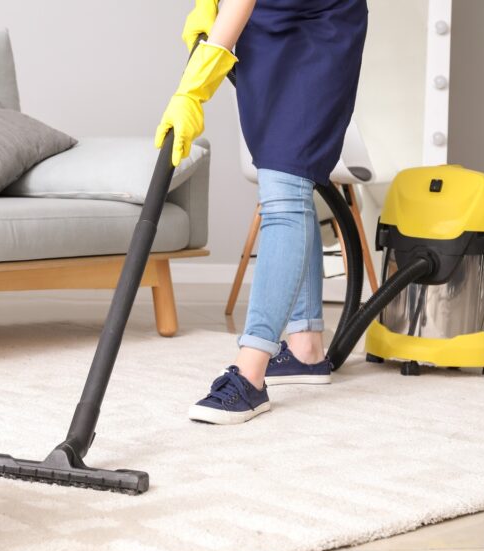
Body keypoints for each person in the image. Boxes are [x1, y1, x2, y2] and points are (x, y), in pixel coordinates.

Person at [156, 0, 368, 425]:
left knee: (286, 189)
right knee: (285, 181)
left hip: (317, 25)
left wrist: (193, 88)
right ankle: (306, 347)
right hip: (265, 28)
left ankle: (250, 375)